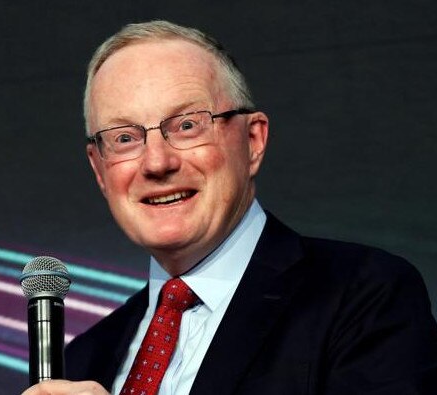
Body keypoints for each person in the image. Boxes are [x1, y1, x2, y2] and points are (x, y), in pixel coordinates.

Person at [22, 20, 437, 395]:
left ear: (253, 141)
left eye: (187, 126)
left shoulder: (364, 296)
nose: (157, 162)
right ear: (99, 169)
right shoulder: (83, 360)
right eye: (125, 138)